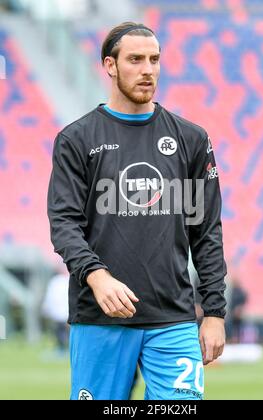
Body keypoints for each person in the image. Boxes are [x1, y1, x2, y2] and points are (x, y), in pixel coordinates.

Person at [47, 22, 227, 400]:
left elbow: (206, 230)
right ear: (110, 66)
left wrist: (214, 312)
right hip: (100, 318)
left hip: (173, 317)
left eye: (154, 60)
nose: (148, 69)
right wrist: (97, 276)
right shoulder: (77, 140)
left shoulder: (191, 139)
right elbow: (64, 224)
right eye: (135, 60)